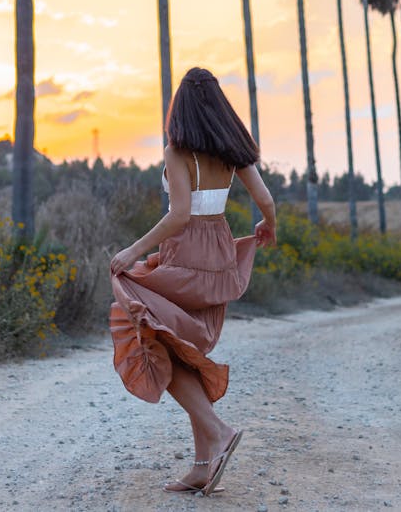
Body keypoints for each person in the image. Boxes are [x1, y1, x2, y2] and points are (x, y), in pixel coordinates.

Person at [109, 67, 276, 496]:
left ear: (179, 107)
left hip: (185, 254)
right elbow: (266, 200)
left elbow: (180, 214)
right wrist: (267, 226)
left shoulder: (176, 152)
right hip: (218, 255)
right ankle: (204, 465)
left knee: (151, 328)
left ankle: (218, 432)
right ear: (220, 107)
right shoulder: (234, 150)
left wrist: (131, 251)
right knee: (186, 351)